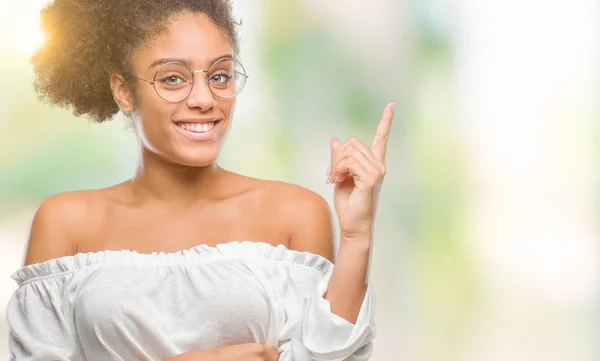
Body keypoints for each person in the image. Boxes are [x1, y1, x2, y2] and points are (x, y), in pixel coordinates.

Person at [6, 0, 394, 360]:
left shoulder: (295, 212)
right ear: (123, 91)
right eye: (172, 79)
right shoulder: (66, 222)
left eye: (220, 76)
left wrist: (358, 236)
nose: (204, 98)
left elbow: (324, 355)